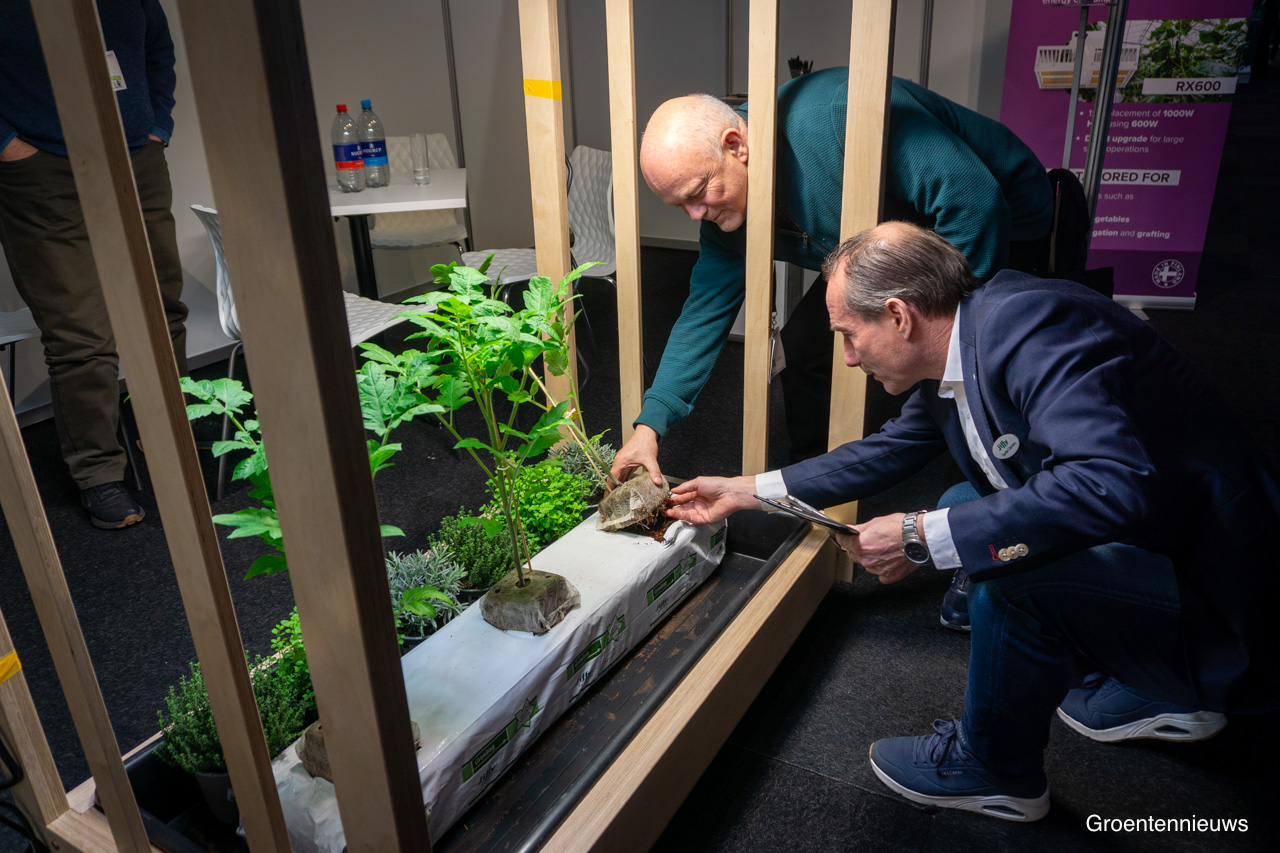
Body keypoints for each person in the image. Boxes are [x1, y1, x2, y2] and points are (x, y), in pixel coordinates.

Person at [664, 221, 1280, 822]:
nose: (848, 358)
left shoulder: (1033, 328)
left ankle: (996, 770)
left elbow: (1108, 482)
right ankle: (1146, 682)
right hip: (1162, 543)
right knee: (965, 501)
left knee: (1008, 578)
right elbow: (884, 452)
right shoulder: (969, 338)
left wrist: (920, 538)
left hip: (1222, 600)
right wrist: (742, 491)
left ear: (899, 316)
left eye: (849, 335)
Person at [615, 67, 1054, 629]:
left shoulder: (835, 120)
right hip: (882, 247)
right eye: (680, 205)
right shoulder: (727, 207)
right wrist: (648, 426)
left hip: (999, 216)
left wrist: (939, 342)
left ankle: (985, 540)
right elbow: (705, 310)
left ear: (736, 145)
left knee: (971, 387)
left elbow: (976, 202)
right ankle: (811, 485)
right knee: (806, 345)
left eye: (699, 194)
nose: (696, 214)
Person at [0, 0, 188, 529]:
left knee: (161, 309)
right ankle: (99, 473)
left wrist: (158, 123)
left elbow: (156, 48)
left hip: (136, 157)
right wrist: (8, 146)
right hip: (41, 170)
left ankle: (169, 432)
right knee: (80, 333)